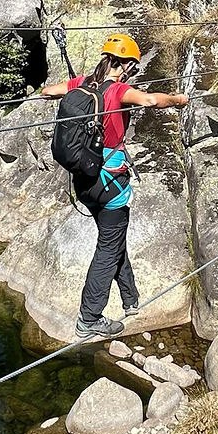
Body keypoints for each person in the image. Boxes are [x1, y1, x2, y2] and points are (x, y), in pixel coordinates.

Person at [40, 33, 189, 339]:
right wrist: (177, 100)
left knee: (113, 236)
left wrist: (72, 92)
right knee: (108, 247)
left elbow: (47, 91)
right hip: (109, 183)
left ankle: (130, 299)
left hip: (83, 181)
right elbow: (149, 100)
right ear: (127, 65)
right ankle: (89, 317)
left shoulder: (82, 83)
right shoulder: (119, 89)